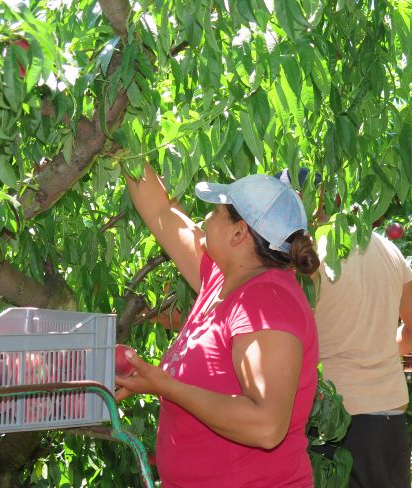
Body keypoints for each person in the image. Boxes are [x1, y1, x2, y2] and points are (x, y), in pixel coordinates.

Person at [115, 163, 320, 487]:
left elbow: (265, 425)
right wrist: (120, 143)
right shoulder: (222, 281)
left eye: (217, 209)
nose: (206, 215)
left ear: (239, 233)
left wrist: (165, 385)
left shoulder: (267, 304)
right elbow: (164, 212)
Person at [277, 169, 412, 488]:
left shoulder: (305, 261)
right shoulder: (380, 245)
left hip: (337, 424)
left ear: (307, 199)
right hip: (390, 424)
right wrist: (375, 353)